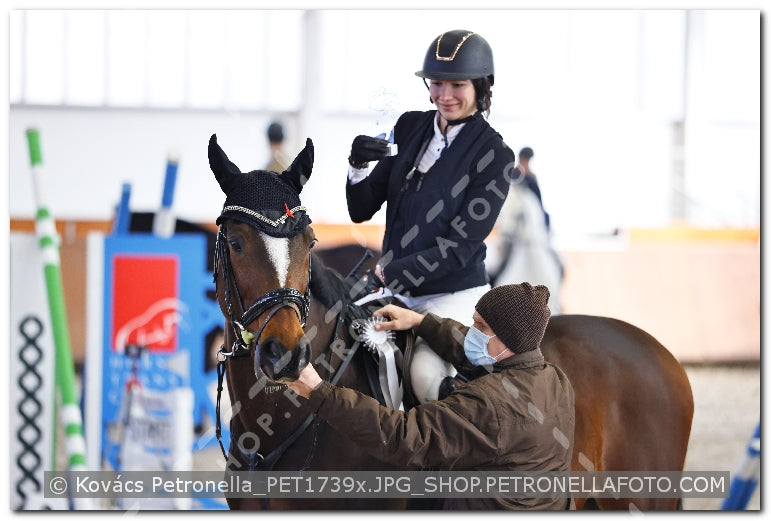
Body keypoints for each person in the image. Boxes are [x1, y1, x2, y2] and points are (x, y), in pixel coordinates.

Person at [289, 282, 575, 510]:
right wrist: (420, 323)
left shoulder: (489, 404)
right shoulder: (555, 379)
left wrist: (319, 392)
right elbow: (470, 350)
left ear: (508, 339)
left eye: (481, 327)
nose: (472, 331)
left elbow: (403, 436)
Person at [344, 29, 516, 404]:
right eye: (436, 83)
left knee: (424, 374)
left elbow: (458, 248)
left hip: (452, 296)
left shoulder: (495, 155)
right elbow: (361, 209)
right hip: (395, 291)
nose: (444, 95)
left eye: (457, 84)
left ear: (482, 86)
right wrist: (357, 166)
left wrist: (391, 271)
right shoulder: (410, 127)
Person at [490, 147, 564, 314]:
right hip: (514, 234)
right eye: (524, 160)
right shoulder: (515, 175)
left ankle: (559, 299)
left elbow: (540, 205)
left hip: (534, 231)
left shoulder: (532, 179)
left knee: (558, 263)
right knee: (498, 264)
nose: (526, 163)